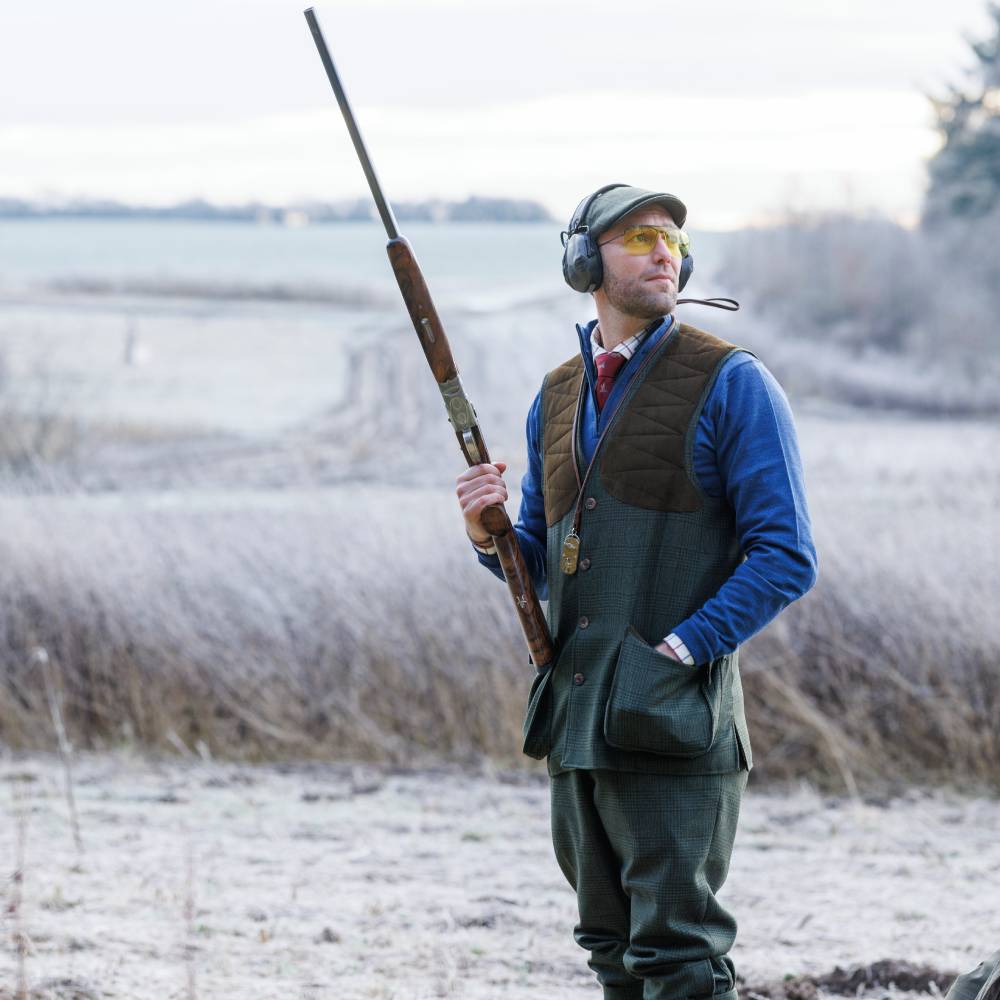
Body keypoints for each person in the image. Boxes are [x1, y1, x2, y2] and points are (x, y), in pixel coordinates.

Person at [454, 183, 818, 1000]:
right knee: (610, 948)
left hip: (672, 724)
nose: (666, 253)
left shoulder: (732, 382)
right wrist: (491, 538)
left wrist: (678, 651)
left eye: (673, 242)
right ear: (584, 260)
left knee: (677, 957)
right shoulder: (555, 396)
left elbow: (786, 556)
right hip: (575, 724)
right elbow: (546, 558)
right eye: (639, 237)